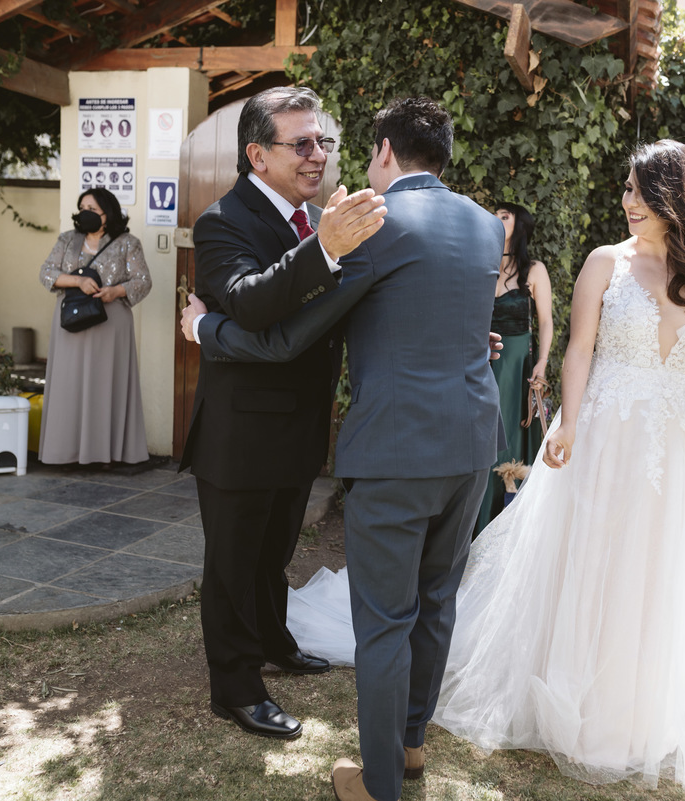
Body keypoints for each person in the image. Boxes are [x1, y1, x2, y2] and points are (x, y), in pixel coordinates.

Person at [280, 140, 685, 794]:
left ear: (670, 196)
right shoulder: (606, 263)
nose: (625, 203)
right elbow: (579, 350)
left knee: (656, 569)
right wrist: (567, 421)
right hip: (602, 434)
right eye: (624, 190)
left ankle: (635, 712)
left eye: (637, 192)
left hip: (675, 444)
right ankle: (567, 698)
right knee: (592, 560)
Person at [183, 96, 505, 801]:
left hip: (396, 446)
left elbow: (296, 334)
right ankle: (410, 744)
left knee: (384, 622)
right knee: (435, 602)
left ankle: (381, 783)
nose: (326, 157)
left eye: (337, 145)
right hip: (469, 442)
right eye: (302, 143)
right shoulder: (486, 225)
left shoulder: (376, 224)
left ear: (385, 151)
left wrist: (206, 332)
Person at [176, 86, 387, 741]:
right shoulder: (223, 222)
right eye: (301, 143)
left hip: (299, 424)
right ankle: (235, 685)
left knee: (274, 554)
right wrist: (322, 248)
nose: (317, 154)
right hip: (240, 430)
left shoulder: (315, 215)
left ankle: (274, 640)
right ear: (256, 155)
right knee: (234, 564)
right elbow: (247, 303)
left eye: (322, 141)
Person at [37, 188, 151, 465]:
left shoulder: (127, 243)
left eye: (93, 208)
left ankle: (105, 452)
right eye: (82, 207)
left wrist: (115, 292)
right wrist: (76, 281)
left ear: (107, 213)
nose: (86, 213)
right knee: (68, 384)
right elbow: (46, 273)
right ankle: (64, 452)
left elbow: (142, 281)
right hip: (70, 322)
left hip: (110, 324)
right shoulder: (67, 240)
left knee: (105, 384)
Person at [473, 201, 553, 533]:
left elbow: (546, 322)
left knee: (507, 437)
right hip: (480, 361)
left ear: (519, 225)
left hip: (517, 364)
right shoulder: (479, 262)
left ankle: (503, 525)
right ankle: (471, 523)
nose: (494, 219)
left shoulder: (533, 270)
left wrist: (543, 364)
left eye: (504, 216)